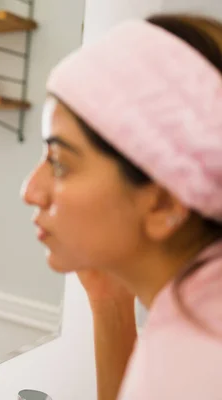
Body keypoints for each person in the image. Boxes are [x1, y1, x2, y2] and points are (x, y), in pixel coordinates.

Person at [22, 13, 222, 400]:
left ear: (164, 202)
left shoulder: (195, 359)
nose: (31, 190)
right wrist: (108, 301)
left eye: (61, 163)